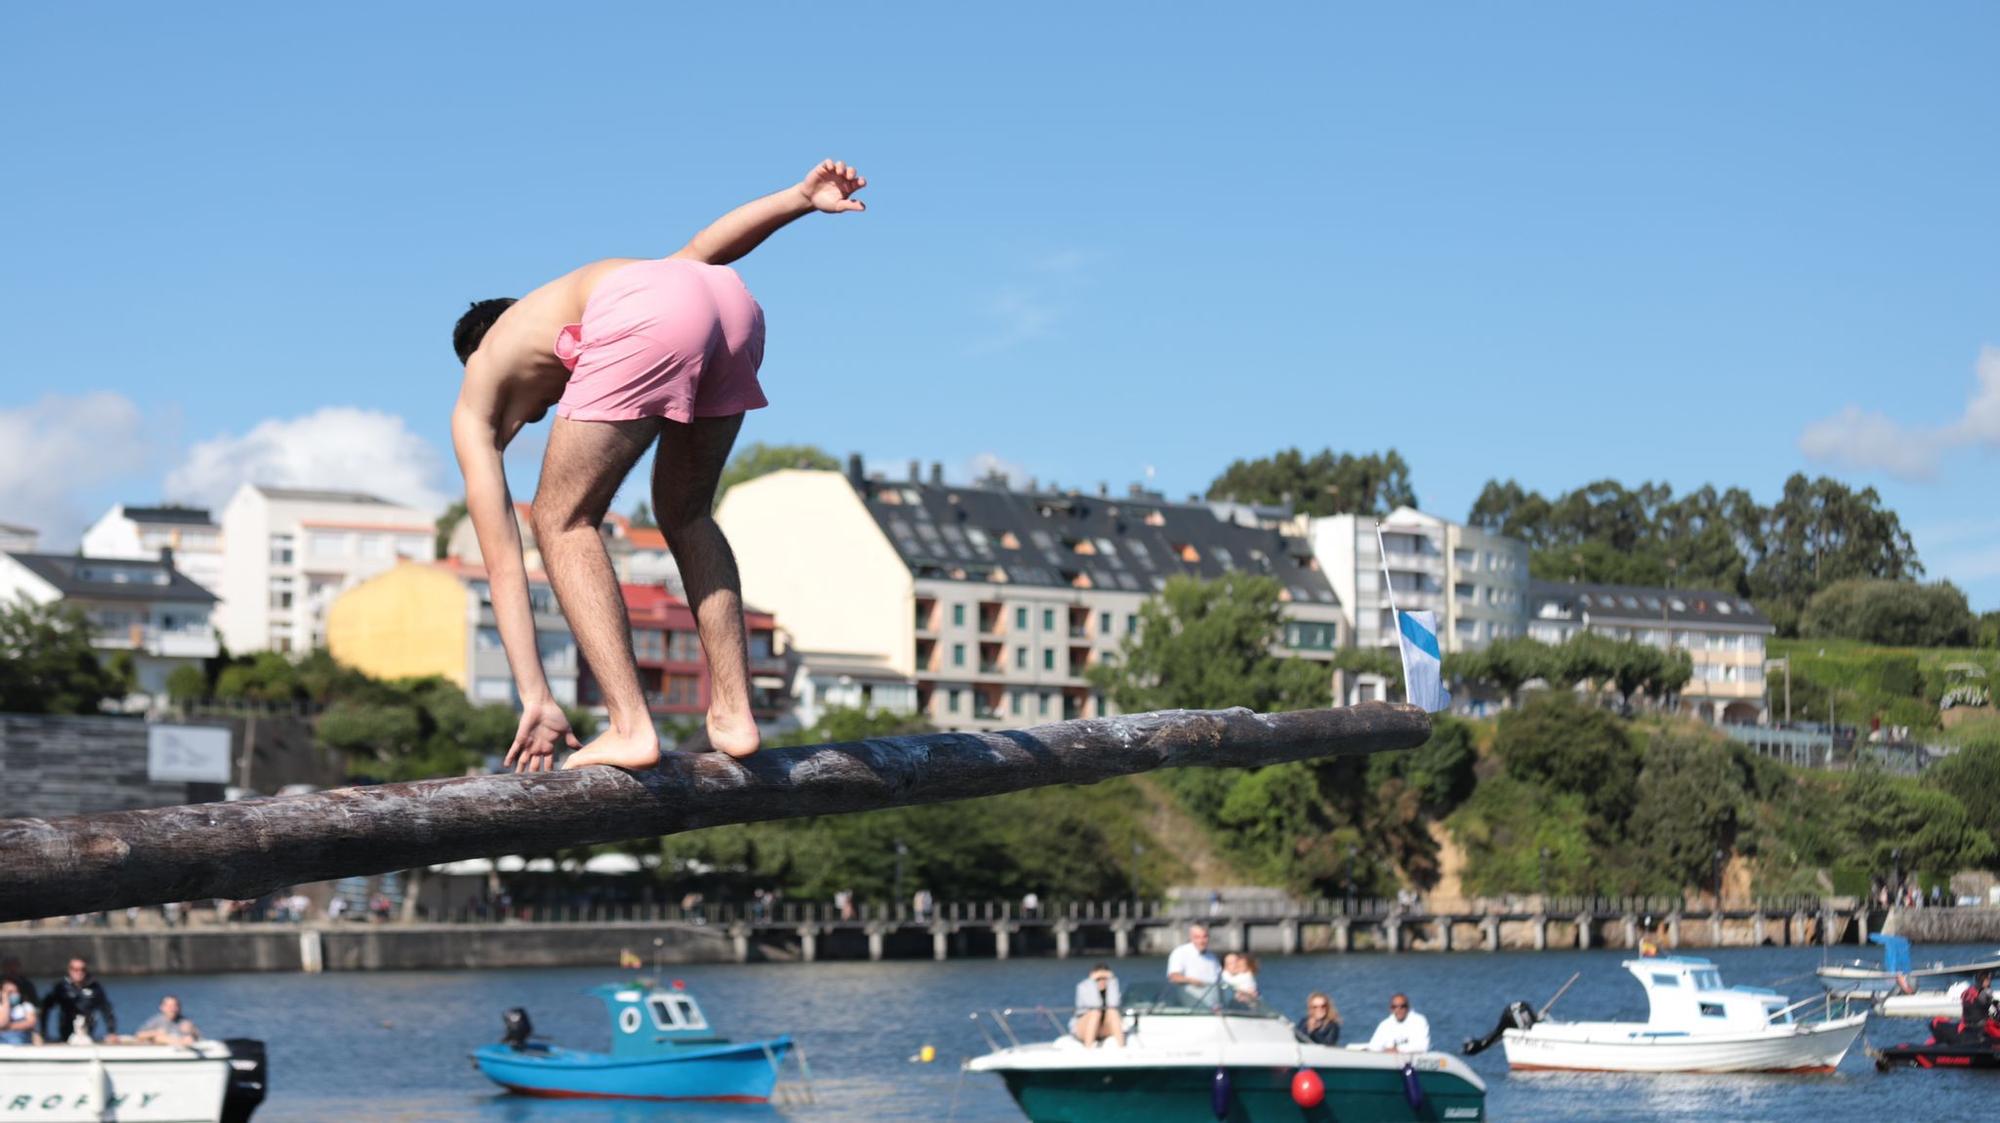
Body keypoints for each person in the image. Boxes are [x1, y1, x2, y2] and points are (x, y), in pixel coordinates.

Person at [451, 159, 869, 773]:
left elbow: (506, 567)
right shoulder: (541, 328)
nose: (552, 407)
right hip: (730, 304)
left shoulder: (481, 388)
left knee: (560, 520)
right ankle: (733, 712)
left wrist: (536, 697)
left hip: (654, 314)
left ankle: (629, 726)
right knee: (685, 512)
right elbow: (702, 253)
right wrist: (799, 199)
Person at [42, 958, 115, 1042]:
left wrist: (111, 1031)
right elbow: (45, 1008)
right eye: (75, 969)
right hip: (66, 1033)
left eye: (82, 969)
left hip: (87, 1032)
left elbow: (106, 1009)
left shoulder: (95, 987)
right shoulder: (61, 987)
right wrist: (43, 1032)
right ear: (69, 970)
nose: (79, 972)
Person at [1071, 963, 1125, 1048]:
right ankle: (1088, 1048)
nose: (1102, 981)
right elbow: (1095, 1004)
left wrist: (1112, 980)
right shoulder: (1084, 986)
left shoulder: (1111, 987)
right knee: (1096, 1012)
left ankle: (1122, 1047)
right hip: (1084, 1027)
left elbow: (1114, 1004)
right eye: (1098, 979)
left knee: (1112, 1011)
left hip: (1104, 1027)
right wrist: (1092, 981)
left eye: (1105, 979)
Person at [1166, 924, 1220, 990]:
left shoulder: (1212, 956)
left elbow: (1219, 978)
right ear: (1191, 937)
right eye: (1197, 937)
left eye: (1205, 937)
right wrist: (1191, 981)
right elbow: (1174, 976)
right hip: (1190, 996)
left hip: (1213, 996)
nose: (1201, 941)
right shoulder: (1180, 952)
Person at [131, 995, 200, 1046]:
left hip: (182, 1053)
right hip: (162, 1053)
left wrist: (192, 1031)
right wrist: (155, 1032)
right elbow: (138, 1035)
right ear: (162, 1007)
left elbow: (198, 1037)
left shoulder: (185, 1021)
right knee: (159, 1038)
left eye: (175, 1006)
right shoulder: (156, 1020)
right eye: (169, 1006)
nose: (172, 1009)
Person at [0, 980, 37, 1045]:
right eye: (9, 992)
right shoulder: (2, 1007)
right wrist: (6, 1003)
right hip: (2, 1038)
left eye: (15, 991)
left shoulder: (26, 1006)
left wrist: (8, 1027)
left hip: (20, 1038)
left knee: (15, 1040)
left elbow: (31, 1023)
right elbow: (2, 1023)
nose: (13, 994)